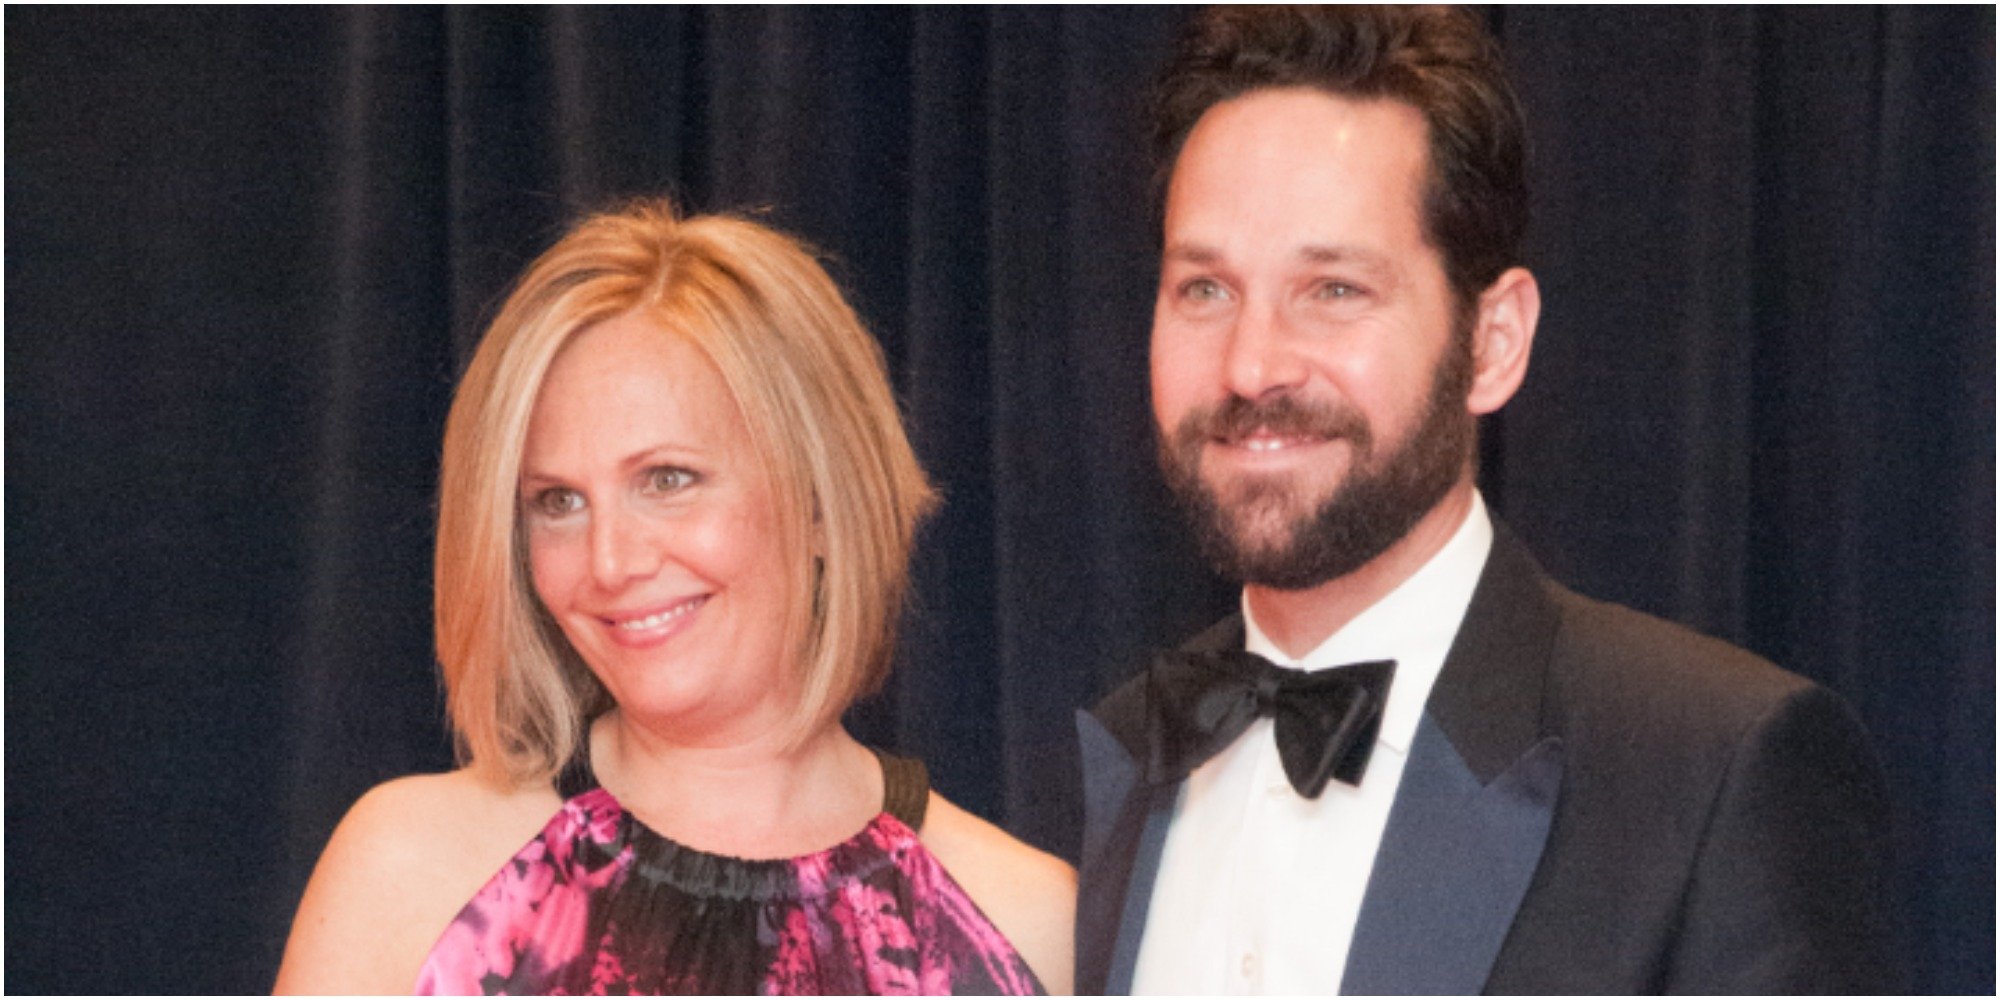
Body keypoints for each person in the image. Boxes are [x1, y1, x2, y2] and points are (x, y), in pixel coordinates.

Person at [1075, 6, 1899, 994]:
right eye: (1204, 289)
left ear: (1493, 339)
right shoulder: (1122, 754)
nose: (1252, 365)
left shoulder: (1712, 768)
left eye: (1332, 289)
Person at [275, 200, 1074, 995]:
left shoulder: (1031, 925)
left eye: (667, 480)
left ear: (826, 504)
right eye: (558, 501)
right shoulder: (409, 871)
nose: (610, 562)